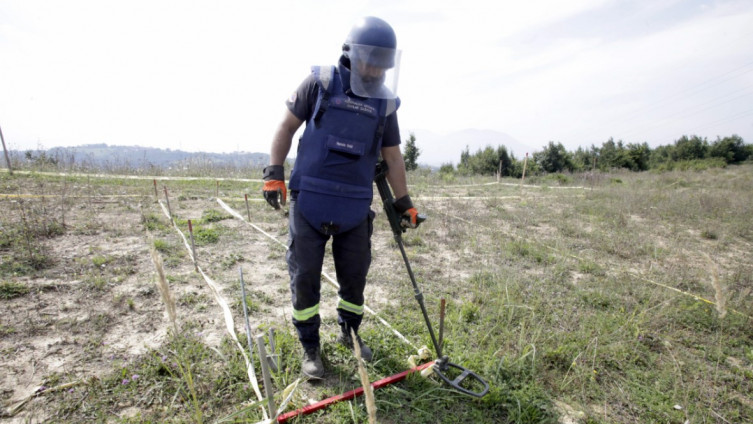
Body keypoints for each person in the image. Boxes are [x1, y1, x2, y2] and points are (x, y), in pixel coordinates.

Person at [262, 16, 420, 379]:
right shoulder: (320, 82)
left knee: (355, 278)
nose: (376, 67)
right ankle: (310, 346)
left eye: (383, 61)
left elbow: (393, 156)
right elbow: (286, 127)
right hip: (310, 202)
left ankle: (349, 331)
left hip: (354, 206)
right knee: (305, 277)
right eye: (370, 58)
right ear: (351, 53)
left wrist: (404, 201)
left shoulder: (385, 104)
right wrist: (274, 174)